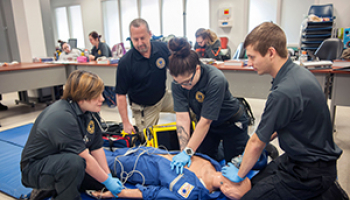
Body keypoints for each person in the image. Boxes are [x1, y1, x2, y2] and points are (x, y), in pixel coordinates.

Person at [221, 22, 344, 200]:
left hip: (309, 173)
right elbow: (281, 124)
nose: (249, 62)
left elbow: (256, 142)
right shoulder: (297, 73)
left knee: (246, 195)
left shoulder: (285, 91)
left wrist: (240, 173)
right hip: (299, 160)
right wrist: (247, 156)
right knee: (254, 183)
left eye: (252, 57)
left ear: (271, 52)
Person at [20, 70, 123, 200]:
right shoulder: (62, 116)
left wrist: (108, 177)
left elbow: (96, 148)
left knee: (102, 177)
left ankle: (55, 188)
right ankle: (53, 191)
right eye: (97, 95)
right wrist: (107, 181)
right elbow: (85, 158)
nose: (102, 99)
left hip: (63, 160)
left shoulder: (91, 113)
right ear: (82, 96)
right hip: (35, 168)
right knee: (74, 164)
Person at [167, 37, 250, 174]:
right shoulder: (179, 83)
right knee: (204, 159)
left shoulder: (215, 80)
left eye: (187, 82)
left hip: (232, 123)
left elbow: (205, 121)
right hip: (211, 126)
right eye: (179, 82)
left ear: (197, 69)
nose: (184, 87)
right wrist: (184, 151)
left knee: (234, 165)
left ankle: (260, 152)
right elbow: (182, 118)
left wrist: (188, 151)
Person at [88, 147, 251, 200]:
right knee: (95, 148)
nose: (235, 169)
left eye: (237, 177)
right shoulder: (213, 163)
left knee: (86, 160)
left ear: (227, 188)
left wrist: (118, 193)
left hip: (133, 166)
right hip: (142, 150)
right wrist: (187, 151)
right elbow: (188, 149)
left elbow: (155, 193)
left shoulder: (193, 191)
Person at [115, 18, 174, 133]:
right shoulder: (126, 62)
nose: (140, 43)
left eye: (143, 38)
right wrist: (126, 123)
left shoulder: (162, 48)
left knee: (192, 106)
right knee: (146, 142)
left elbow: (175, 67)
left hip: (163, 96)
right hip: (145, 107)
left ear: (150, 34)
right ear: (130, 38)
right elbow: (120, 95)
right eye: (135, 39)